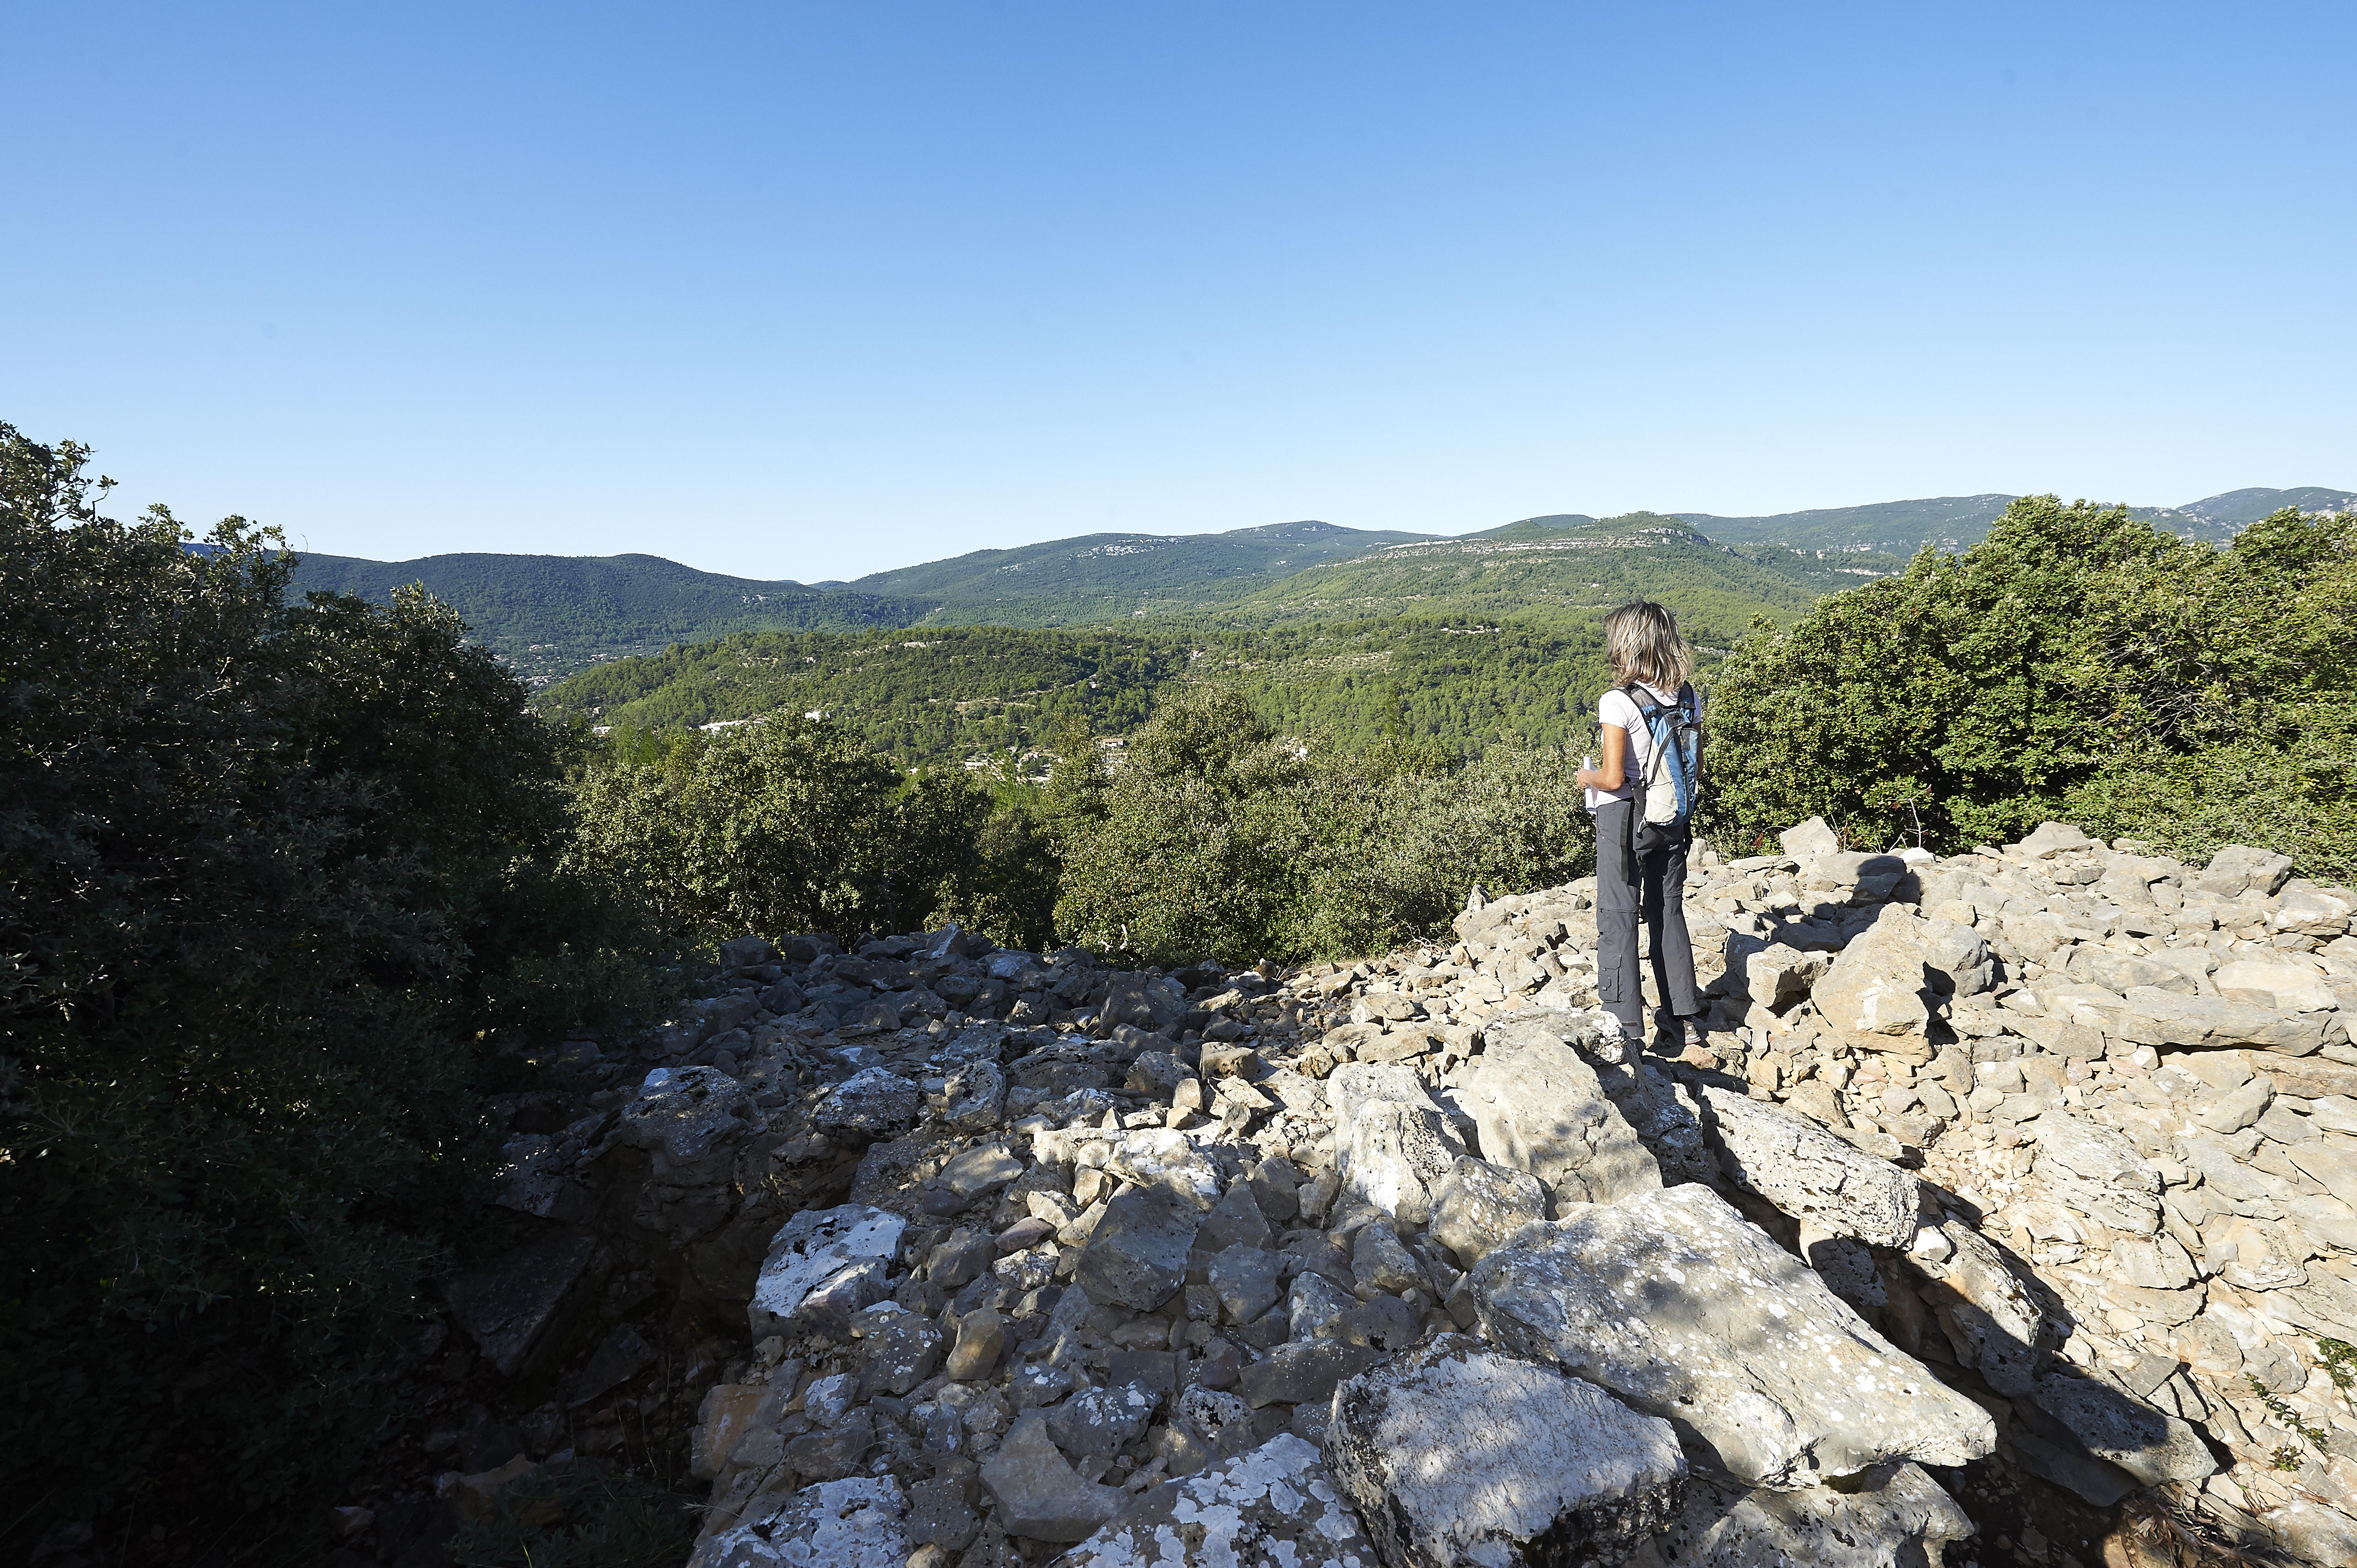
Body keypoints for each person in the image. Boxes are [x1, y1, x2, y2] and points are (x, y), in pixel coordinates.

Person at [1574, 601, 1707, 1051]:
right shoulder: (1688, 695)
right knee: (1667, 911)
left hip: (1624, 816)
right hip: (1672, 818)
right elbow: (1694, 767)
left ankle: (1624, 1029)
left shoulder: (1618, 701)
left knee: (1618, 917)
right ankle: (1684, 1020)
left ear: (1626, 645)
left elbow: (1612, 778)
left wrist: (1584, 777)